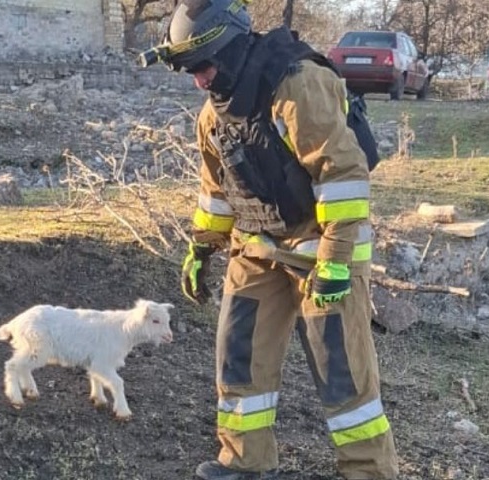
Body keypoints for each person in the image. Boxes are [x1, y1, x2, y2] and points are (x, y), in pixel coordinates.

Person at [138, 1, 400, 479]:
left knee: (341, 370)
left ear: (233, 48)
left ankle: (366, 472)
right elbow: (218, 189)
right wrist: (202, 246)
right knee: (239, 354)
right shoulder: (214, 116)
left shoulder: (298, 86)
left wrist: (336, 263)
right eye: (191, 71)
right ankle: (244, 462)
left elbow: (342, 175)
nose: (199, 80)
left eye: (204, 67)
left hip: (322, 245)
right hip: (258, 245)